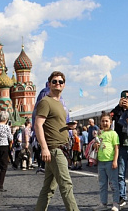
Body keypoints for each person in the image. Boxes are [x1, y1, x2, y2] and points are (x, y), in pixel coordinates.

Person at [34, 71, 80, 211]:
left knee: (48, 188)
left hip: (62, 148)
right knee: (66, 185)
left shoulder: (59, 103)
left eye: (60, 82)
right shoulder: (45, 102)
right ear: (49, 84)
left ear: (64, 85)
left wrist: (68, 127)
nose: (57, 84)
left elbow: (53, 124)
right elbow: (38, 124)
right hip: (54, 149)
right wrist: (44, 148)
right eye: (54, 81)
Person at [95, 112, 120, 211]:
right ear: (100, 123)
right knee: (102, 184)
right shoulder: (99, 133)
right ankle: (103, 203)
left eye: (106, 121)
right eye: (103, 121)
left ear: (110, 122)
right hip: (101, 162)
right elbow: (96, 145)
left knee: (114, 183)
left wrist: (115, 160)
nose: (105, 123)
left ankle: (116, 203)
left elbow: (116, 147)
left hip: (110, 161)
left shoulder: (113, 133)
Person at [0, 110, 12, 192]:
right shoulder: (6, 127)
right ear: (6, 118)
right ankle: (0, 185)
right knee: (3, 166)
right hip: (4, 146)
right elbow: (10, 137)